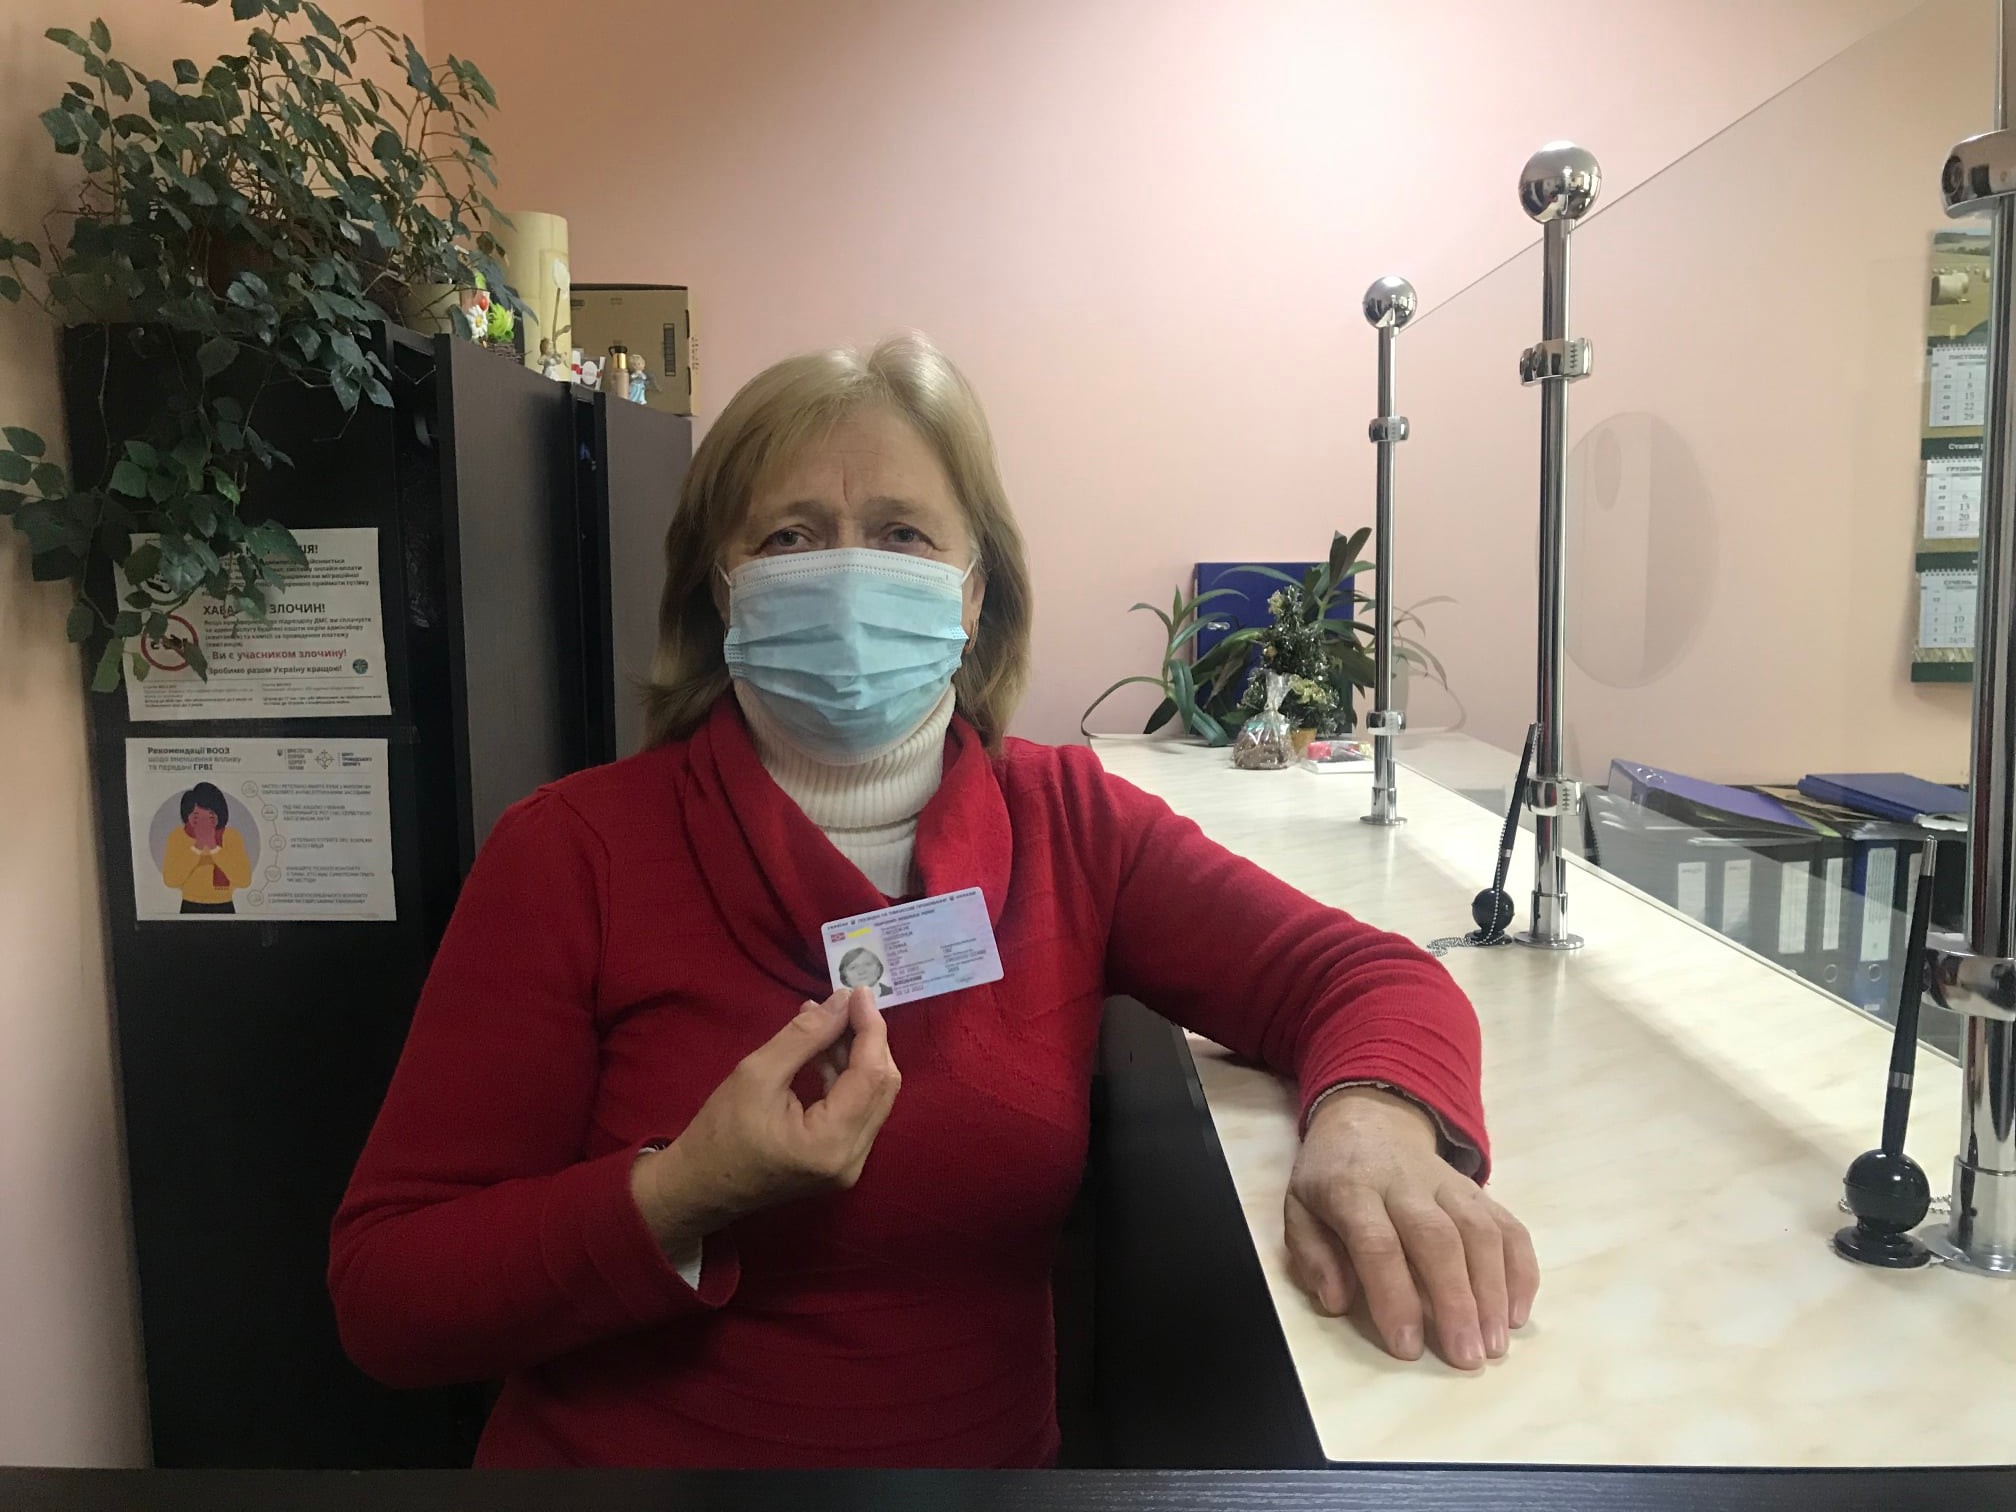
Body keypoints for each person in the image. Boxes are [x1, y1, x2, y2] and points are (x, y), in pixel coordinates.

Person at [329, 334, 1538, 1469]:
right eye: (791, 537)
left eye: (902, 534)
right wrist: (681, 1191)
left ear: (974, 593)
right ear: (720, 588)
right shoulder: (572, 852)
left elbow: (1362, 977)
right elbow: (389, 1294)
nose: (847, 573)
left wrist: (1373, 1122)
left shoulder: (1072, 826)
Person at [162, 781, 252, 915]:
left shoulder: (231, 836)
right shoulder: (177, 836)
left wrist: (213, 847)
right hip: (190, 904)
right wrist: (197, 846)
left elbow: (244, 880)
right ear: (187, 816)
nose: (204, 821)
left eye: (210, 815)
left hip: (224, 904)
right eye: (197, 816)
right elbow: (171, 880)